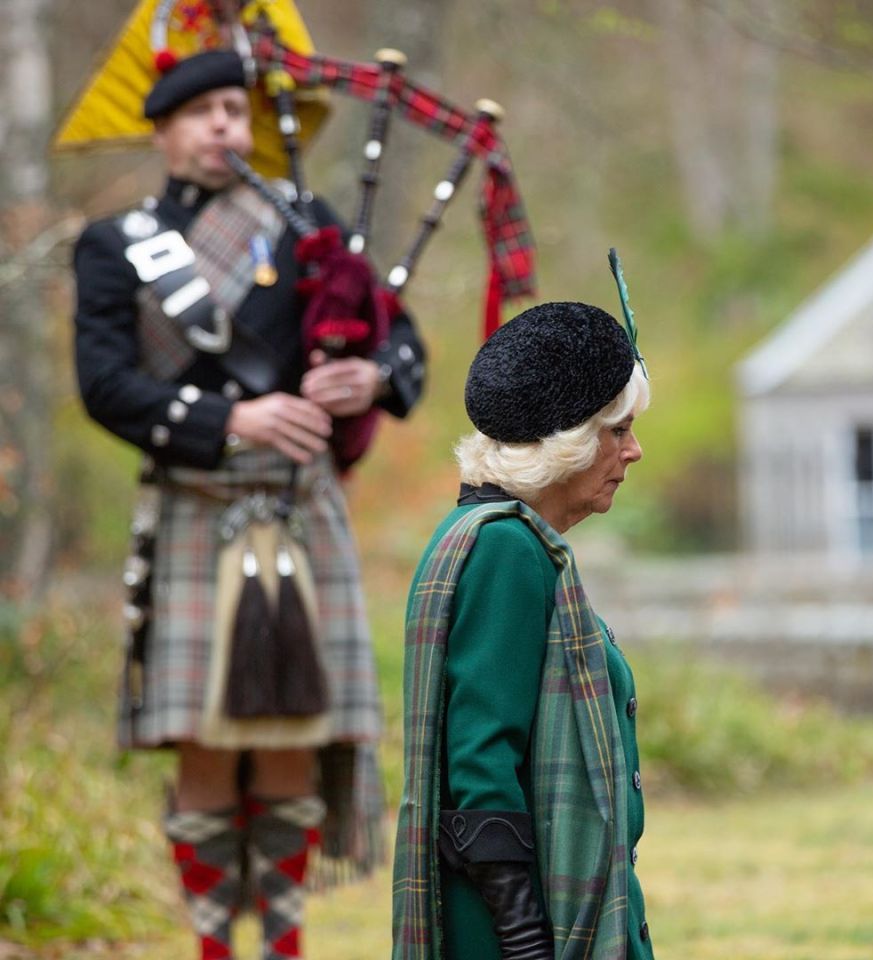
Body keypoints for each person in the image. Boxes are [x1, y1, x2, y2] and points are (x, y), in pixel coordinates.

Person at [73, 49, 425, 960]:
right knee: (199, 737)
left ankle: (283, 943)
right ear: (164, 129)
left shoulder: (308, 223)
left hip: (300, 508)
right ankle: (212, 947)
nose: (224, 125)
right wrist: (238, 417)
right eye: (201, 112)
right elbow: (105, 385)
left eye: (235, 108)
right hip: (196, 501)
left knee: (294, 734)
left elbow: (405, 345)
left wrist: (369, 374)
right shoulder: (119, 244)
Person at [392, 298, 655, 959]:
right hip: (523, 928)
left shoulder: (505, 540)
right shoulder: (505, 551)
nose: (635, 450)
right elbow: (482, 761)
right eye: (617, 430)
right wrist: (526, 939)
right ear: (566, 445)